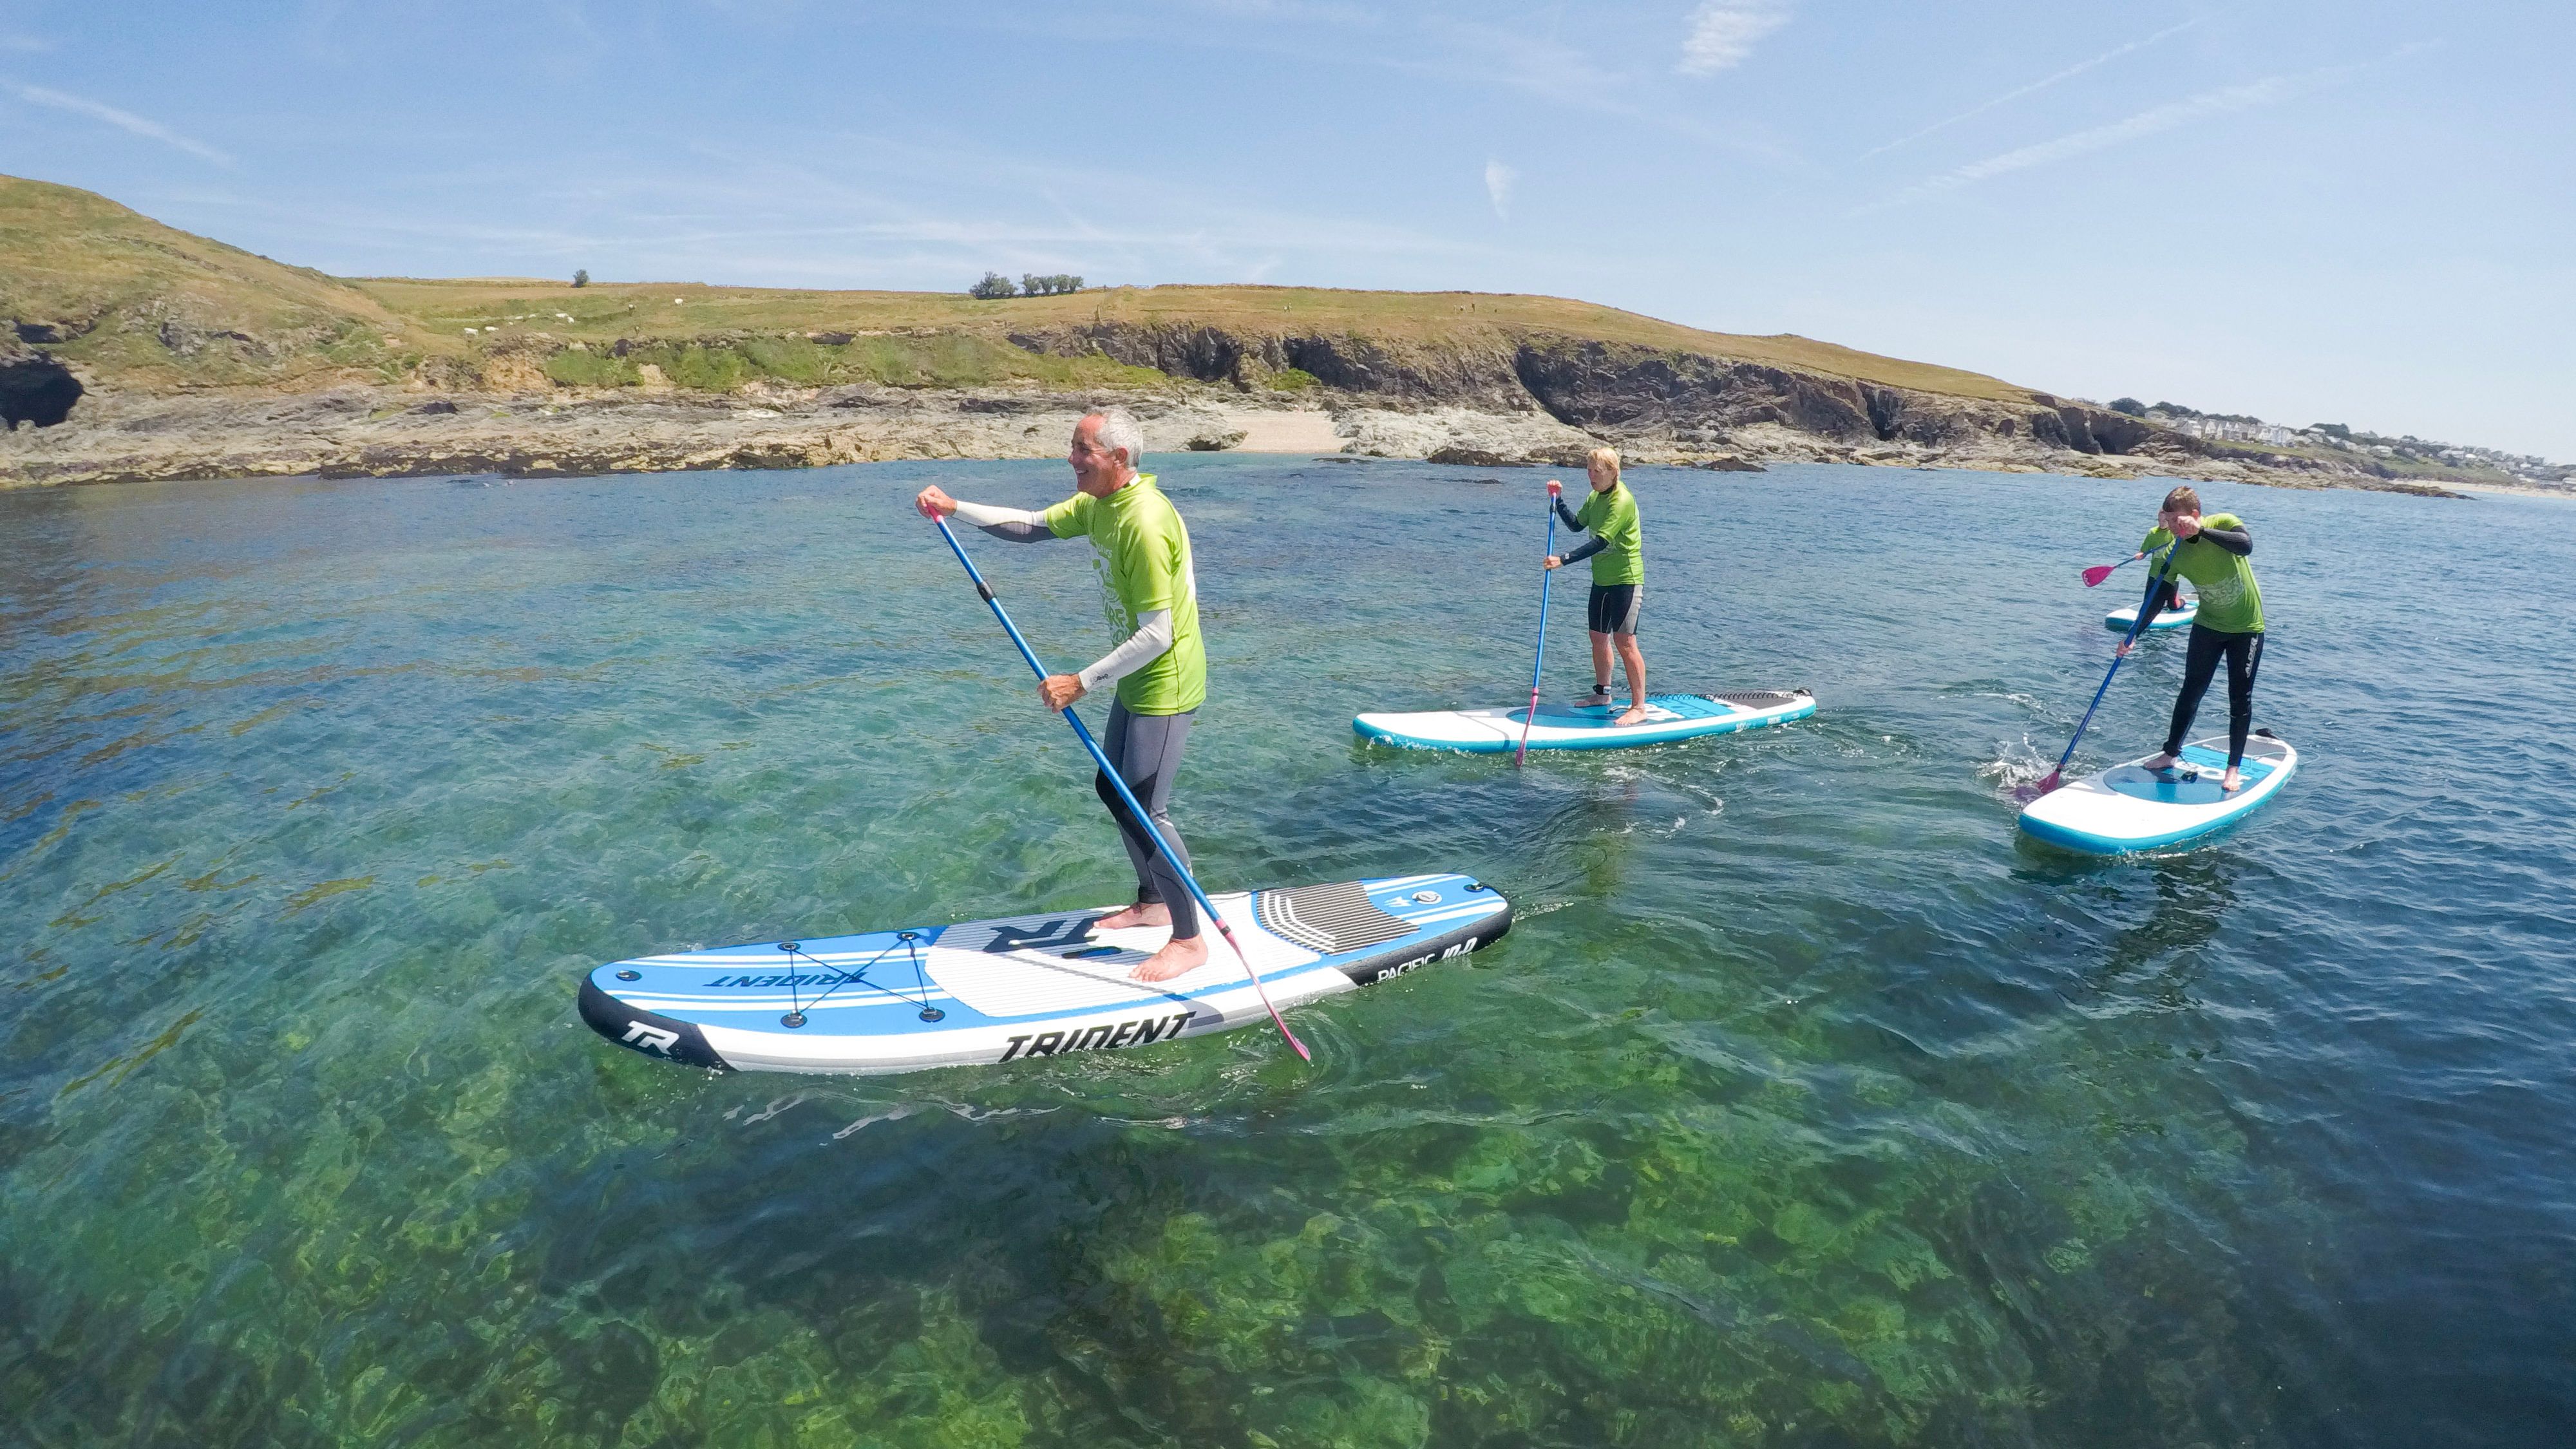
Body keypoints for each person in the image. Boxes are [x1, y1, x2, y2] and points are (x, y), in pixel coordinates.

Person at [914, 409, 1209, 982]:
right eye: (1073, 447)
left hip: (1167, 682)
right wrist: (956, 508)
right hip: (1140, 675)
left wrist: (1081, 681)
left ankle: (1189, 939)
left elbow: (1159, 635)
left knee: (1148, 809)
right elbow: (1031, 526)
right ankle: (1151, 901)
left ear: (1118, 459)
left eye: (1083, 450)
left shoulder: (1143, 522)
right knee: (1114, 788)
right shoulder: (1102, 505)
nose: (1071, 459)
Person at [2117, 485, 2266, 791]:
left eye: (2178, 521)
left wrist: (2202, 531)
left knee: (2239, 698)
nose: (2173, 528)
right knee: (2191, 690)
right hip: (2208, 625)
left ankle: (2233, 768)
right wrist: (2133, 635)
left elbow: (2245, 545)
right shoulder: (2173, 552)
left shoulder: (2223, 523)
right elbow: (2155, 599)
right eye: (2168, 521)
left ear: (2195, 515)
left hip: (2246, 628)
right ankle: (2170, 753)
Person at [1544, 446, 1648, 726]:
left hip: (1626, 579)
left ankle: (1639, 706)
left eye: (1597, 472)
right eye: (1588, 471)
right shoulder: (1594, 497)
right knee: (1598, 637)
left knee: (1625, 642)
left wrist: (1563, 560)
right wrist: (1558, 500)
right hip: (1601, 579)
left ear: (1613, 473)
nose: (1591, 476)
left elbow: (1601, 541)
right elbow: (1577, 526)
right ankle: (1603, 694)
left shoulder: (1622, 500)